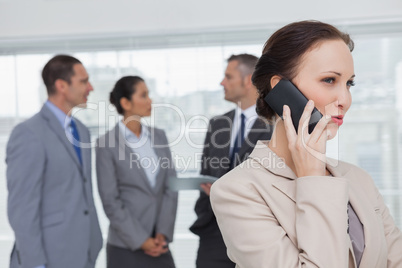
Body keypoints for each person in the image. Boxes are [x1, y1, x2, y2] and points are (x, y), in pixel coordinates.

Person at [210, 20, 402, 267]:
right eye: (330, 80)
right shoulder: (237, 191)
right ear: (282, 90)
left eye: (349, 83)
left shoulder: (358, 178)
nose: (345, 99)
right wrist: (313, 180)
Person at [6, 55, 103, 268]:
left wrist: (94, 243)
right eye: (84, 81)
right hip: (47, 259)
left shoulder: (83, 132)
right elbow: (22, 210)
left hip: (83, 254)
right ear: (61, 86)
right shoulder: (29, 134)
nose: (91, 87)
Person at [189, 54, 273, 268]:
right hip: (214, 232)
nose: (222, 83)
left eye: (228, 76)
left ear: (249, 79)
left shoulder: (276, 125)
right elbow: (206, 170)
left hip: (257, 233)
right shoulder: (217, 124)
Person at [96, 76, 178, 268]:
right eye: (144, 95)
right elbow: (110, 200)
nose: (150, 100)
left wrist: (162, 234)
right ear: (125, 103)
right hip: (125, 246)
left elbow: (170, 187)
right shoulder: (106, 144)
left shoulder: (159, 136)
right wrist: (141, 240)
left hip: (159, 243)